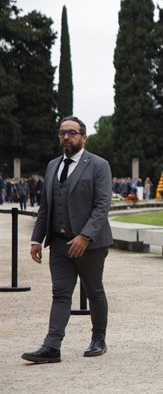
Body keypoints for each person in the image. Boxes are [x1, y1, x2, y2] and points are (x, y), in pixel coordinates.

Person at [22, 116, 113, 364]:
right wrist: (36, 239)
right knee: (60, 294)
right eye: (62, 132)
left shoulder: (98, 165)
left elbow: (102, 204)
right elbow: (46, 206)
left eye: (72, 132)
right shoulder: (52, 166)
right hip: (60, 242)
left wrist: (85, 236)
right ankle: (52, 346)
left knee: (94, 290)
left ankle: (98, 340)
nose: (66, 137)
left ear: (84, 137)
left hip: (91, 244)